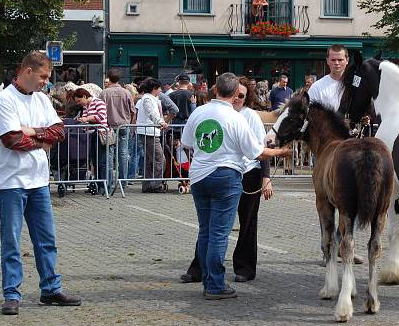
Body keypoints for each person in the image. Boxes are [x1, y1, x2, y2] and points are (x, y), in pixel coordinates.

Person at [181, 72, 290, 299]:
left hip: (200, 175)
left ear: (215, 90)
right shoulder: (235, 118)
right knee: (220, 234)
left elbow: (187, 143)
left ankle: (207, 278)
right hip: (225, 176)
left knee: (206, 231)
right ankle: (215, 285)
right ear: (233, 94)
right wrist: (282, 151)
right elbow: (257, 152)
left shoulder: (199, 113)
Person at [0, 51, 81, 315]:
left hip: (38, 179)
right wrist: (42, 141)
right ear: (27, 71)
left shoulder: (41, 99)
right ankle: (11, 293)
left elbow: (59, 131)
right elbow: (11, 140)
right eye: (43, 76)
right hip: (11, 180)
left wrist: (31, 131)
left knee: (46, 238)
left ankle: (51, 288)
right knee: (12, 240)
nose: (46, 82)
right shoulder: (4, 100)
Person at [274, 44, 366, 264]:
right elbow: (309, 115)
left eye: (341, 59)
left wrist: (364, 117)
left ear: (346, 61)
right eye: (333, 60)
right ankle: (328, 245)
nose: (337, 63)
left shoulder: (355, 83)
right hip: (327, 146)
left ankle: (345, 244)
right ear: (327, 61)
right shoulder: (318, 87)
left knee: (352, 197)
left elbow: (366, 105)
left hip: (352, 142)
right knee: (327, 196)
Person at [99, 68, 135, 188]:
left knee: (109, 155)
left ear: (109, 77)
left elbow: (100, 110)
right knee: (123, 154)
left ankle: (108, 183)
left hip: (108, 127)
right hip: (124, 125)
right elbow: (132, 110)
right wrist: (130, 122)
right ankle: (123, 182)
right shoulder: (126, 92)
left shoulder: (104, 93)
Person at [73, 88, 112, 194]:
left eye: (79, 101)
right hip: (92, 134)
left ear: (85, 96)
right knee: (95, 162)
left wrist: (86, 119)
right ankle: (98, 185)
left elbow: (101, 117)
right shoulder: (86, 106)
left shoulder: (99, 102)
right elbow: (86, 117)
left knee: (102, 162)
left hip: (101, 134)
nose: (79, 104)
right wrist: (81, 120)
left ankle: (104, 186)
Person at [136, 78, 168, 192]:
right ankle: (155, 185)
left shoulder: (152, 98)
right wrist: (160, 122)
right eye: (159, 88)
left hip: (150, 131)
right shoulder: (147, 99)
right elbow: (152, 113)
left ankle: (148, 185)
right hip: (148, 132)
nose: (160, 90)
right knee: (160, 159)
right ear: (154, 89)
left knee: (150, 160)